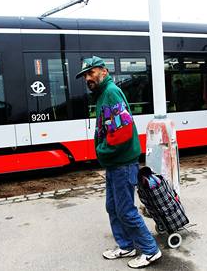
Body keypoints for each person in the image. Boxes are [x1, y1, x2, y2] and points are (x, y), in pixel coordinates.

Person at [76, 56, 162, 269]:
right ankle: (126, 245)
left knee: (125, 210)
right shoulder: (103, 94)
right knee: (113, 207)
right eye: (85, 75)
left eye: (91, 72)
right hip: (115, 164)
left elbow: (122, 132)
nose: (88, 78)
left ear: (103, 71)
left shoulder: (110, 93)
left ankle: (151, 250)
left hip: (122, 163)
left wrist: (101, 151)